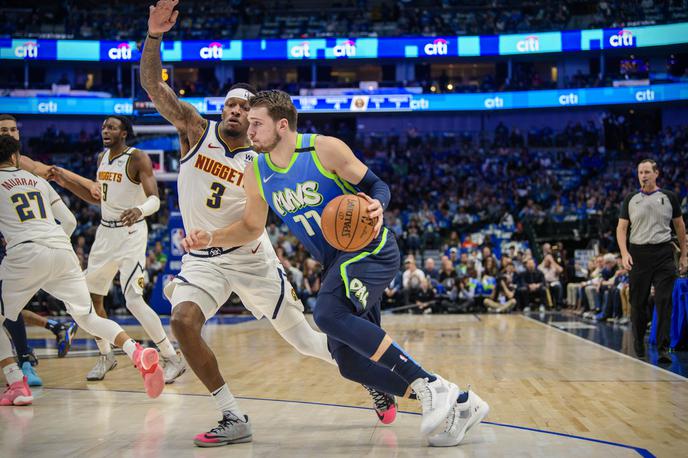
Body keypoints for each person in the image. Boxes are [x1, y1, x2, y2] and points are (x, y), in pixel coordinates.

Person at [141, 0, 395, 447]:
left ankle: (371, 379)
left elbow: (268, 212)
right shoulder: (195, 132)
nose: (237, 111)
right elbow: (153, 87)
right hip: (203, 258)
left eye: (245, 107)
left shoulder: (264, 159)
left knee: (306, 342)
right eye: (231, 105)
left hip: (251, 256)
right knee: (182, 321)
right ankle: (232, 414)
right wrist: (155, 36)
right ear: (222, 111)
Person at [183, 89, 489, 447]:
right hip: (335, 261)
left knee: (326, 313)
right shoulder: (256, 171)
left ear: (282, 125)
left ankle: (431, 385)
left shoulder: (324, 148)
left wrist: (377, 205)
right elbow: (252, 226)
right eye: (249, 124)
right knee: (350, 363)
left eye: (257, 123)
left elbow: (377, 184)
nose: (250, 132)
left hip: (370, 247)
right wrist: (212, 237)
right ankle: (460, 403)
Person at [0, 135, 164, 405]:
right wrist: (54, 250)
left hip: (25, 253)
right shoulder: (38, 181)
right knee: (87, 317)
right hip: (61, 251)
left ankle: (16, 382)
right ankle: (135, 351)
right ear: (16, 157)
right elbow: (69, 220)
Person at [49, 115, 186, 384]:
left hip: (131, 233)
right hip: (104, 233)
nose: (105, 130)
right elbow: (97, 197)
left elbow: (155, 200)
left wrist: (139, 210)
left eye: (111, 127)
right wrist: (68, 184)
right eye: (103, 127)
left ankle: (172, 357)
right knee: (90, 297)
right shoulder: (102, 158)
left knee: (133, 300)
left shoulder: (138, 158)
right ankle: (106, 355)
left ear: (124, 133)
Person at [0, 114, 77, 387]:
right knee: (9, 306)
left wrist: (87, 185)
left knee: (10, 306)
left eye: (12, 129)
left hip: (24, 243)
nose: (8, 133)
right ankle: (52, 330)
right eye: (3, 130)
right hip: (18, 239)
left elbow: (53, 172)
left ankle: (24, 362)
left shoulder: (27, 164)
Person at [617, 159, 687, 361]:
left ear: (656, 173)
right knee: (638, 303)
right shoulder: (630, 199)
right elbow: (621, 229)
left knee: (664, 300)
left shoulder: (669, 197)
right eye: (640, 172)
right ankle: (638, 341)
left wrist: (683, 255)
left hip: (664, 253)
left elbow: (680, 227)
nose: (643, 175)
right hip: (638, 254)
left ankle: (664, 348)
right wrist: (624, 253)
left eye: (647, 171)